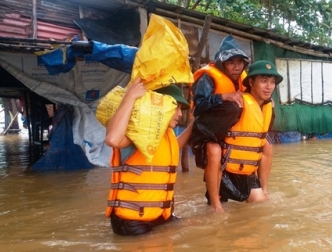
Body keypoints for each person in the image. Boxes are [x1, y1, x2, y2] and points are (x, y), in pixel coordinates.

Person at [192, 57, 282, 212]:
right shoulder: (234, 106)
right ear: (251, 83)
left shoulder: (268, 109)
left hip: (246, 170)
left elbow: (258, 141)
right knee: (214, 148)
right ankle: (216, 205)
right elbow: (203, 131)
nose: (269, 87)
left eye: (272, 82)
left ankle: (264, 190)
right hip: (225, 170)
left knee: (267, 144)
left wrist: (263, 189)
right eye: (264, 81)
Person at [104, 77, 193, 236]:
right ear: (159, 106)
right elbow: (112, 139)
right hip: (132, 221)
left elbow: (173, 148)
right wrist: (130, 97)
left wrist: (195, 123)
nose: (180, 114)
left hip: (160, 215)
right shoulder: (136, 133)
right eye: (175, 107)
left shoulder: (167, 134)